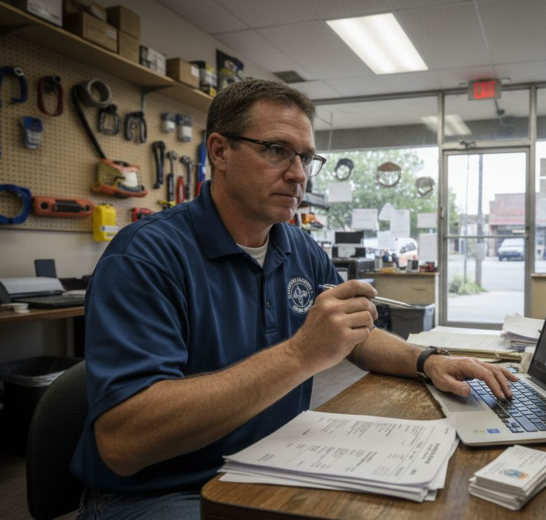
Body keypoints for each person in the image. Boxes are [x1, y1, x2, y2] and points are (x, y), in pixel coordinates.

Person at [72, 79, 518, 519]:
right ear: (220, 152)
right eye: (276, 150)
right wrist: (301, 354)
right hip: (160, 492)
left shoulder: (298, 246)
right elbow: (123, 443)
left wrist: (428, 361)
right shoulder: (145, 256)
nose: (299, 173)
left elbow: (354, 334)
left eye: (305, 157)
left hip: (270, 464)